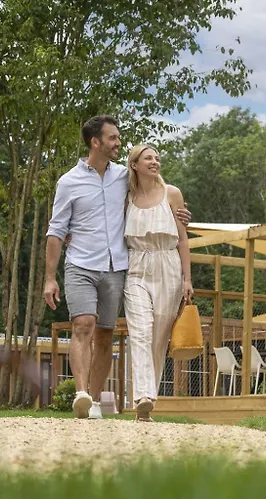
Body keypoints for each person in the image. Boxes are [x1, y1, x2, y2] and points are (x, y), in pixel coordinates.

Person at [44, 115, 191, 419]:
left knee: (105, 335)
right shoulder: (69, 182)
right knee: (83, 324)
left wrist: (181, 215)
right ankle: (82, 393)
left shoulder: (125, 177)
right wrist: (49, 278)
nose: (118, 143)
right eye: (112, 138)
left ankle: (96, 402)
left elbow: (154, 193)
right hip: (81, 263)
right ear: (95, 142)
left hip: (116, 266)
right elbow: (56, 230)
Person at [124, 144, 193, 422]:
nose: (155, 162)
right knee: (140, 331)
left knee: (159, 336)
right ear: (134, 165)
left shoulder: (172, 194)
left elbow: (183, 239)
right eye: (148, 158)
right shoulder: (126, 197)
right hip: (136, 266)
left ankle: (148, 401)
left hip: (168, 265)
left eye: (157, 158)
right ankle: (142, 395)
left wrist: (187, 279)